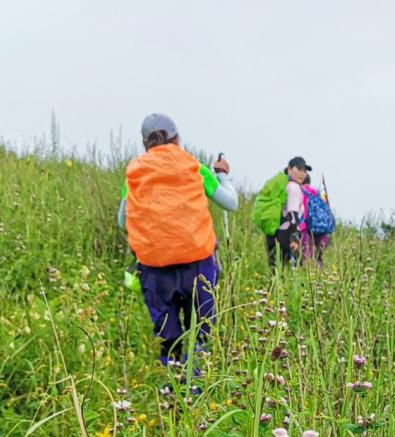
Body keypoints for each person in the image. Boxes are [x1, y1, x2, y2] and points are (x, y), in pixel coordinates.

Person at [117, 113, 238, 368]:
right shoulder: (195, 167)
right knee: (202, 325)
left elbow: (122, 221)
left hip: (154, 266)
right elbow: (231, 203)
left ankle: (171, 381)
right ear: (177, 139)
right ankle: (195, 380)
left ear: (144, 143)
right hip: (197, 261)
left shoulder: (134, 173)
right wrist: (223, 175)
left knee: (168, 330)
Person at [252, 157, 311, 267]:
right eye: (299, 169)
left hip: (275, 231)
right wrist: (295, 237)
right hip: (287, 234)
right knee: (294, 269)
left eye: (304, 170)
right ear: (289, 169)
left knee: (275, 267)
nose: (302, 173)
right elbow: (293, 214)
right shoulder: (294, 187)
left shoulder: (285, 186)